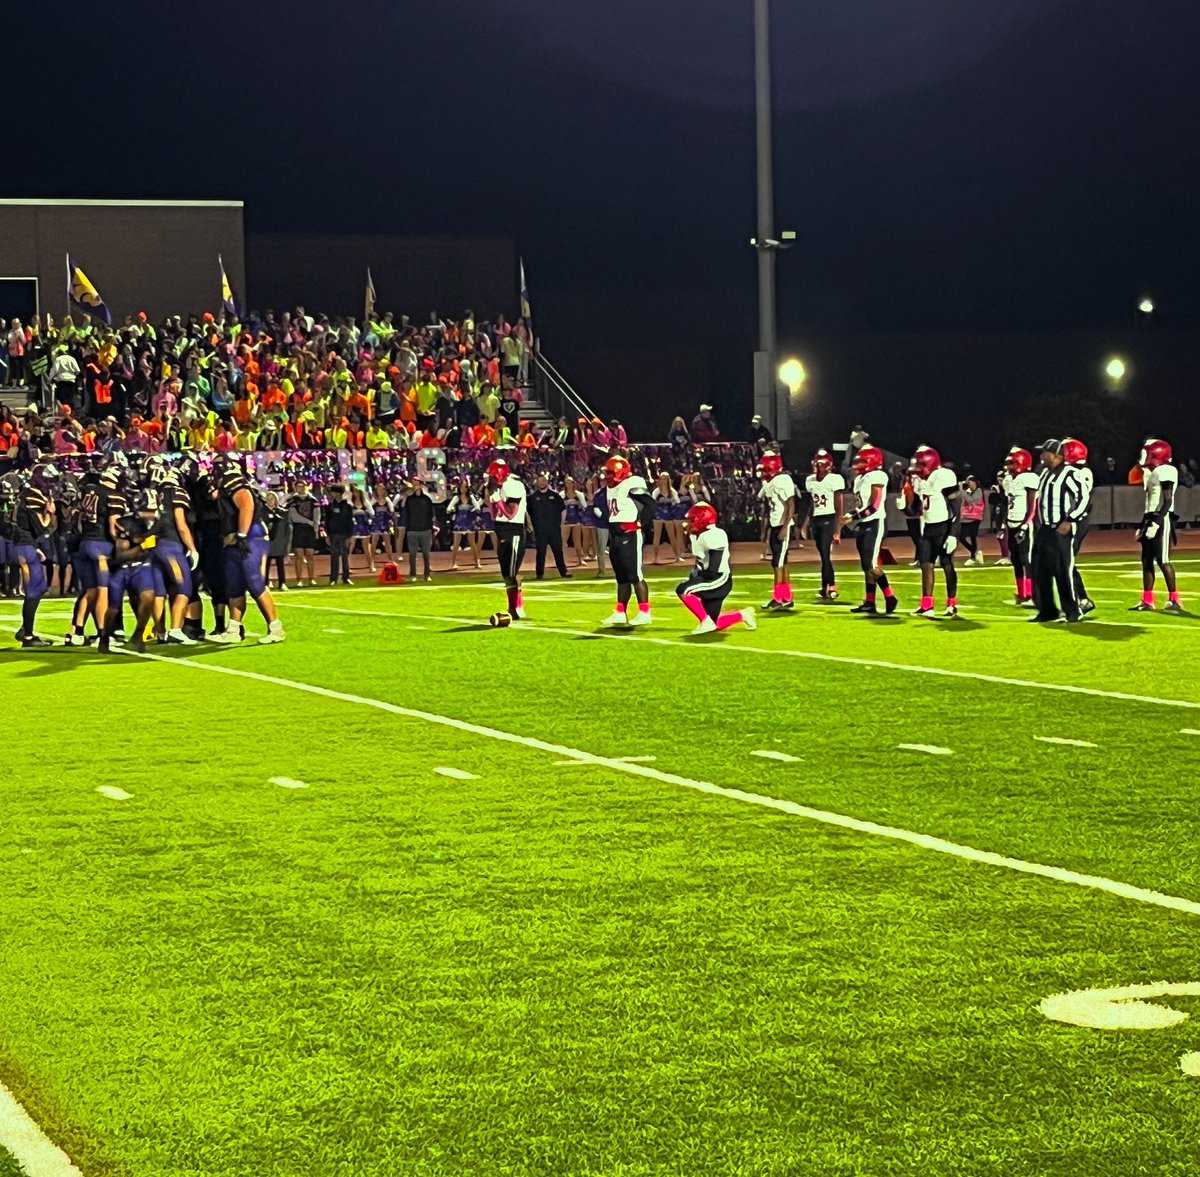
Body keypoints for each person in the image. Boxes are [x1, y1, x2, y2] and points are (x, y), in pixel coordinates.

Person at [209, 455, 285, 644]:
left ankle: (276, 628)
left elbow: (246, 504)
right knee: (234, 586)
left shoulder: (232, 479)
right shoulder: (224, 484)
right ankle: (233, 629)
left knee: (254, 582)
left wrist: (242, 534)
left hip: (251, 536)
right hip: (237, 538)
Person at [676, 502, 756, 636]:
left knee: (683, 590)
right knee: (715, 623)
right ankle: (743, 615)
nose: (689, 522)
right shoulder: (698, 534)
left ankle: (706, 621)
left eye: (692, 519)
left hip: (718, 579)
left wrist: (697, 580)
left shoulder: (715, 535)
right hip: (708, 576)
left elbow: (714, 568)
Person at [1030, 438, 1088, 623]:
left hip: (1060, 529)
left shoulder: (1070, 473)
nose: (1041, 456)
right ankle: (1047, 610)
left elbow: (1083, 498)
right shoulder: (1045, 474)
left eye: (1044, 453)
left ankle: (1073, 610)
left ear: (1056, 455)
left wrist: (1070, 520)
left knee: (1063, 570)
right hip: (1045, 529)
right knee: (1040, 571)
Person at [841, 445, 898, 615]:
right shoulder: (860, 479)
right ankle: (870, 601)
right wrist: (849, 514)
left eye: (862, 461)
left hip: (875, 522)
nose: (857, 465)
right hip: (864, 523)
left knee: (870, 565)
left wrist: (852, 518)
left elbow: (874, 505)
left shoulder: (878, 475)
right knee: (866, 565)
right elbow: (861, 505)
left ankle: (890, 596)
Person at [907, 445, 961, 618]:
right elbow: (917, 507)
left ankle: (952, 604)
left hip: (944, 526)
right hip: (928, 526)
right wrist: (905, 504)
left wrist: (953, 534)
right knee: (925, 565)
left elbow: (956, 509)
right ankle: (927, 605)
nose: (917, 469)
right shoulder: (919, 480)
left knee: (947, 565)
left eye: (920, 465)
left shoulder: (943, 476)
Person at [601, 455, 654, 627]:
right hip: (615, 534)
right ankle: (620, 612)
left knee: (634, 574)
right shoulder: (611, 487)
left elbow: (650, 505)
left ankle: (645, 611)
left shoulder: (633, 482)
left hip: (630, 533)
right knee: (621, 577)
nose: (607, 476)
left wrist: (640, 522)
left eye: (610, 472)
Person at [1131, 438, 1182, 612]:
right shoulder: (1154, 471)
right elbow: (1150, 500)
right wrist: (1144, 523)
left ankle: (1174, 599)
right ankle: (1147, 600)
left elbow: (1167, 502)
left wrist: (1156, 523)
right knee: (1146, 560)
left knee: (1163, 560)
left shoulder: (1166, 470)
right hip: (1150, 516)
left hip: (1162, 517)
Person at [11, 466, 55, 646]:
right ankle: (28, 635)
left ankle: (25, 629)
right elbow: (40, 526)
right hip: (25, 544)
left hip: (26, 543)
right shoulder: (33, 496)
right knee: (35, 588)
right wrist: (50, 512)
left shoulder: (27, 493)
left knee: (39, 587)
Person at [486, 458, 528, 618]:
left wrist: (498, 499)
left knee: (511, 573)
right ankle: (517, 604)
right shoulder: (498, 487)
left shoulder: (514, 486)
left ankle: (513, 609)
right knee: (507, 574)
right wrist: (491, 499)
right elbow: (493, 515)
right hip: (501, 530)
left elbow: (511, 514)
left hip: (514, 531)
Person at [999, 447, 1039, 607]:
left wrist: (1025, 525)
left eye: (1012, 463)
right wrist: (1003, 523)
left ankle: (1030, 594)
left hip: (1024, 524)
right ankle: (1021, 593)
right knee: (1015, 559)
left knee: (1025, 559)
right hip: (1012, 522)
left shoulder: (1029, 478)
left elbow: (1032, 506)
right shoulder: (1009, 480)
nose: (1009, 467)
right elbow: (1008, 504)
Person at [760, 452, 797, 611]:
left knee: (778, 564)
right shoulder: (771, 482)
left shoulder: (783, 480)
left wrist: (784, 527)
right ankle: (786, 597)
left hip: (782, 525)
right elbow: (770, 508)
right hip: (776, 525)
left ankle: (778, 598)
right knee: (782, 562)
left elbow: (791, 505)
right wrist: (767, 529)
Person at [806, 449, 845, 600]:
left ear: (830, 465)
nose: (821, 467)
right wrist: (806, 523)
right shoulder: (810, 480)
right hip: (817, 519)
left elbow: (839, 505)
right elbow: (812, 504)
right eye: (818, 463)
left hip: (829, 517)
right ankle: (824, 587)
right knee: (823, 555)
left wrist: (838, 529)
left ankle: (831, 586)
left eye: (823, 463)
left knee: (825, 553)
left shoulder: (834, 479)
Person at [1061, 438, 1094, 613]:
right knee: (1065, 561)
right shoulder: (1078, 470)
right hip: (1074, 518)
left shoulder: (1079, 472)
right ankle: (1079, 599)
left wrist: (1071, 518)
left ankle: (1079, 600)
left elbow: (1081, 499)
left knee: (1066, 561)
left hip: (1076, 519)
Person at [528, 473, 571, 579]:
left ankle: (563, 572)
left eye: (543, 481)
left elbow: (563, 510)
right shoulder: (532, 498)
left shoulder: (555, 496)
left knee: (558, 552)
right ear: (536, 483)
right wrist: (530, 525)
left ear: (547, 482)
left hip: (554, 530)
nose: (541, 483)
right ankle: (539, 574)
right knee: (540, 553)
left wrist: (561, 524)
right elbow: (527, 513)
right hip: (540, 530)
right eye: (539, 481)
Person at [287, 479, 320, 587]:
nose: (301, 488)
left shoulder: (312, 500)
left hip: (310, 530)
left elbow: (317, 516)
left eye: (303, 486)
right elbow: (293, 516)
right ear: (295, 487)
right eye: (298, 486)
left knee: (310, 555)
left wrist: (315, 528)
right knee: (299, 555)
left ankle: (311, 578)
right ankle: (299, 579)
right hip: (298, 529)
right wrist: (308, 521)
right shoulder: (292, 500)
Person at [403, 478, 435, 582]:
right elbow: (405, 513)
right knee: (412, 554)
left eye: (417, 484)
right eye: (413, 484)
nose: (415, 486)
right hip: (412, 530)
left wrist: (431, 526)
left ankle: (427, 574)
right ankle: (413, 574)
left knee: (426, 553)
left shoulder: (426, 499)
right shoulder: (409, 499)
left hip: (425, 530)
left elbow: (431, 514)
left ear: (421, 485)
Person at [324, 484, 354, 586]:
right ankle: (333, 578)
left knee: (345, 557)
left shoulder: (348, 507)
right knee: (334, 556)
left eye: (333, 492)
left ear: (338, 493)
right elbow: (327, 522)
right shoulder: (330, 507)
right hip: (333, 535)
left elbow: (350, 522)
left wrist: (349, 536)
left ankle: (346, 577)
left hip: (344, 535)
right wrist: (327, 535)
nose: (331, 494)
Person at [449, 478, 481, 570]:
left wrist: (472, 510)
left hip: (469, 520)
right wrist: (453, 509)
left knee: (472, 542)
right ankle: (453, 563)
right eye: (462, 487)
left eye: (465, 487)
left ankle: (476, 562)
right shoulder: (456, 498)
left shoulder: (471, 497)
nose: (464, 489)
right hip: (459, 521)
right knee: (456, 543)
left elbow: (478, 507)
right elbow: (449, 508)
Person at [264, 490, 292, 591]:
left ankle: (282, 583)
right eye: (269, 499)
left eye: (272, 499)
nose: (270, 501)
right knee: (266, 564)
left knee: (280, 563)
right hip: (267, 542)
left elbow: (287, 528)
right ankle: (265, 583)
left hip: (279, 541)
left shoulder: (283, 512)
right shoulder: (262, 512)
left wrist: (286, 540)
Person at [651, 471, 680, 564]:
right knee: (657, 536)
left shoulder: (672, 491)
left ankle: (677, 556)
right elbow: (652, 502)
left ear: (668, 480)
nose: (663, 481)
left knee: (672, 536)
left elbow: (677, 502)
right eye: (662, 479)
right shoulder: (656, 491)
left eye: (665, 479)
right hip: (658, 515)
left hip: (669, 515)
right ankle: (655, 557)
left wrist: (672, 503)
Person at [958, 475, 985, 565]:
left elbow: (971, 500)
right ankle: (975, 553)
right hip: (966, 518)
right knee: (961, 537)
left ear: (974, 482)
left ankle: (973, 557)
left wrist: (962, 490)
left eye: (969, 482)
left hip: (975, 518)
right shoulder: (968, 491)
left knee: (973, 537)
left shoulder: (979, 491)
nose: (968, 485)